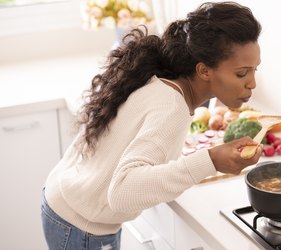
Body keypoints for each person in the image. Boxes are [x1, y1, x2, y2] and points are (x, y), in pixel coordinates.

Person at [41, 1, 263, 249]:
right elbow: (123, 192)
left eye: (255, 70)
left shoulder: (164, 80)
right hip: (79, 228)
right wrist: (210, 160)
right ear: (204, 71)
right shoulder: (172, 107)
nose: (252, 83)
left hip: (68, 203)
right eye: (242, 73)